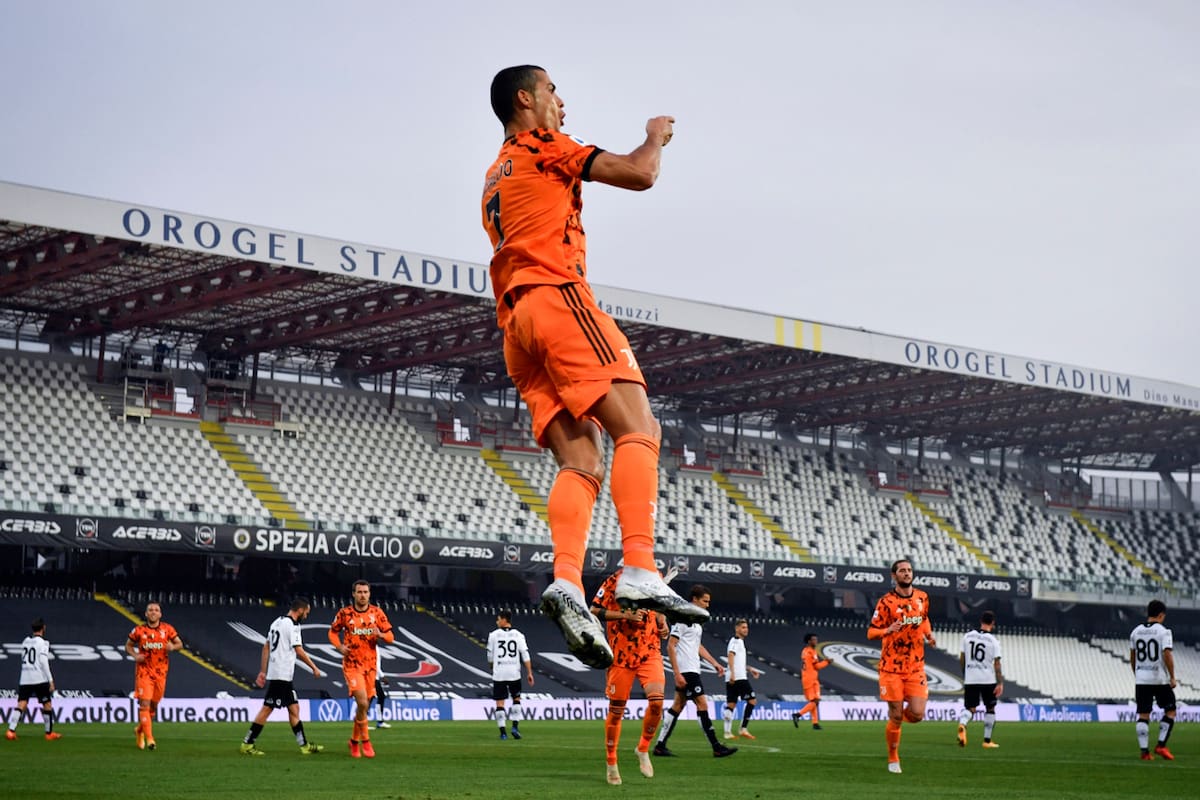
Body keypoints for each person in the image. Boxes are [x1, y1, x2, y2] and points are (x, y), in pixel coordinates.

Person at [482, 65, 708, 669]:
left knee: (581, 460)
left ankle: (567, 583)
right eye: (553, 90)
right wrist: (655, 136)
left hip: (516, 326)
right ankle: (639, 568)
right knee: (640, 427)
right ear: (526, 98)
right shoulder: (543, 144)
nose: (562, 101)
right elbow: (639, 173)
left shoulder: (495, 173)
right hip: (559, 299)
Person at [591, 568, 667, 785]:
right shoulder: (614, 580)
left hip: (649, 651)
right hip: (621, 655)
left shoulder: (655, 576)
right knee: (616, 713)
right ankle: (611, 762)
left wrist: (663, 623)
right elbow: (594, 610)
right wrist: (625, 615)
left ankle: (643, 748)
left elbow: (660, 606)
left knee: (657, 703)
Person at [867, 559, 936, 774]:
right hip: (891, 668)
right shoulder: (885, 602)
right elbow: (871, 632)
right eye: (902, 571)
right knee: (896, 716)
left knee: (917, 714)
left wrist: (929, 635)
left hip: (915, 667)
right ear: (894, 576)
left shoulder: (922, 597)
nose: (906, 573)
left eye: (909, 570)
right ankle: (893, 757)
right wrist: (887, 630)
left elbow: (924, 619)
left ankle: (895, 721)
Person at [653, 584, 737, 758]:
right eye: (705, 601)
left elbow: (697, 646)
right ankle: (716, 747)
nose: (707, 605)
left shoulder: (697, 622)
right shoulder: (682, 619)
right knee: (702, 704)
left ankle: (660, 746)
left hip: (692, 669)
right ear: (695, 600)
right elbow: (670, 646)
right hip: (687, 671)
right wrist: (677, 673)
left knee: (678, 705)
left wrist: (714, 663)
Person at [239, 597, 324, 756]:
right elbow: (299, 650)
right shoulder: (293, 625)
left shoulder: (276, 622)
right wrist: (314, 668)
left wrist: (263, 671)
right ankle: (247, 743)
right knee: (267, 709)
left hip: (280, 674)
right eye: (306, 612)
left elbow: (266, 647)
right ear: (300, 610)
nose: (306, 616)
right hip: (281, 674)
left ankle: (304, 745)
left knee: (294, 708)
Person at [328, 580, 395, 758]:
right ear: (353, 594)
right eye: (359, 592)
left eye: (365, 592)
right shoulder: (345, 613)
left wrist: (381, 634)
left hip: (370, 666)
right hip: (352, 665)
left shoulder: (377, 613)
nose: (363, 595)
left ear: (369, 594)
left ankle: (353, 741)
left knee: (363, 706)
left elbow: (391, 637)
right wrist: (339, 647)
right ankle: (366, 741)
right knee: (363, 703)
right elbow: (332, 632)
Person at [125, 601, 182, 751]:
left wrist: (172, 647)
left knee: (153, 707)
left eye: (156, 610)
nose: (153, 612)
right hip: (144, 672)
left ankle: (139, 730)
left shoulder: (168, 629)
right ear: (146, 614)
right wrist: (135, 656)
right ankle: (150, 739)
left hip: (161, 673)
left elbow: (180, 644)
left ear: (160, 614)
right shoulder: (139, 630)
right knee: (144, 704)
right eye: (150, 610)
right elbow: (128, 646)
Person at [1130, 599, 1177, 760]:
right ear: (1161, 615)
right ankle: (1161, 745)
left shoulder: (1135, 632)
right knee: (1171, 710)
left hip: (1142, 679)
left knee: (1143, 714)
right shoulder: (1164, 632)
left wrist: (1137, 674)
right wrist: (1172, 677)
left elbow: (1133, 656)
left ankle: (1144, 752)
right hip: (1159, 679)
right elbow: (1167, 654)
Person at [4, 618, 61, 741]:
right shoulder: (43, 643)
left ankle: (11, 730)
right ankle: (49, 733)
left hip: (25, 678)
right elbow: (43, 662)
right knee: (47, 704)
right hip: (39, 678)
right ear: (43, 628)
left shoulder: (25, 642)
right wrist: (50, 680)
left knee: (22, 703)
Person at [956, 610, 1002, 749]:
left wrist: (965, 674)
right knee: (990, 708)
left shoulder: (967, 636)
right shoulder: (993, 641)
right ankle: (987, 741)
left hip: (971, 678)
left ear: (981, 621)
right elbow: (997, 663)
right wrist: (1000, 682)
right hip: (988, 679)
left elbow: (962, 658)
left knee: (970, 708)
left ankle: (963, 724)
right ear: (993, 623)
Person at [486, 610, 534, 740]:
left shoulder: (493, 635)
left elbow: (490, 656)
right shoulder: (519, 635)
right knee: (516, 699)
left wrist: (491, 666)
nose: (497, 621)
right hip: (514, 672)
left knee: (500, 703)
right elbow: (525, 655)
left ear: (504, 620)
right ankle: (515, 727)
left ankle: (503, 733)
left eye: (498, 619)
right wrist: (529, 672)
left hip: (499, 673)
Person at [723, 619, 763, 740]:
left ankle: (727, 732)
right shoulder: (736, 641)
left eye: (746, 627)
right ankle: (743, 729)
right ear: (737, 629)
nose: (746, 629)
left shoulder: (739, 642)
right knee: (752, 701)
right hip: (738, 677)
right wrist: (733, 673)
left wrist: (749, 669)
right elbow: (730, 655)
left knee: (731, 704)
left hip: (734, 676)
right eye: (743, 627)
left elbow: (737, 661)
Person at [791, 632, 831, 731]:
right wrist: (827, 662)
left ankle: (815, 723)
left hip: (811, 678)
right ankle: (798, 715)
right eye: (814, 640)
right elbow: (817, 666)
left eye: (816, 639)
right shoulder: (811, 652)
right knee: (815, 701)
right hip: (810, 679)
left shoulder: (805, 651)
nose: (816, 641)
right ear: (809, 641)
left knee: (815, 702)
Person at [372, 649, 392, 730]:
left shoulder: (375, 647)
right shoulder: (372, 647)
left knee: (380, 697)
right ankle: (362, 722)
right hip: (371, 676)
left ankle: (380, 721)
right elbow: (374, 663)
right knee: (371, 698)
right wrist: (382, 676)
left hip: (374, 677)